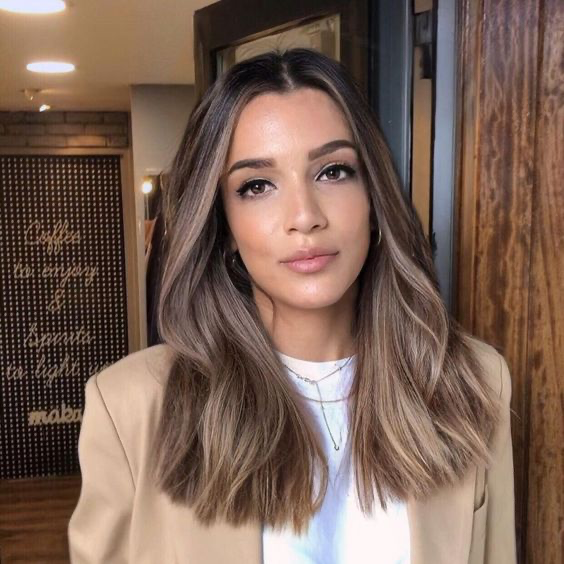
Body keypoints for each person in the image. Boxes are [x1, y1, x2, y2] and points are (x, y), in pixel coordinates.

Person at [68, 48, 517, 563]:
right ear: (223, 225)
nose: (304, 216)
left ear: (374, 199)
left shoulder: (475, 385)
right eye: (257, 186)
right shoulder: (130, 409)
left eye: (333, 172)